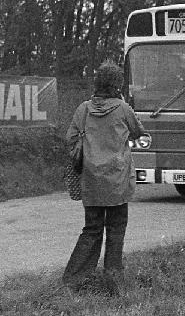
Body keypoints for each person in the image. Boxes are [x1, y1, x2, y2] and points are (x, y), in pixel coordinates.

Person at [63, 60, 145, 292]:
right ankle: (113, 281)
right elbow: (139, 132)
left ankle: (73, 280)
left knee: (91, 229)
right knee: (116, 229)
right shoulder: (123, 108)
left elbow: (70, 139)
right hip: (117, 181)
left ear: (97, 83)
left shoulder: (83, 109)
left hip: (91, 180)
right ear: (117, 84)